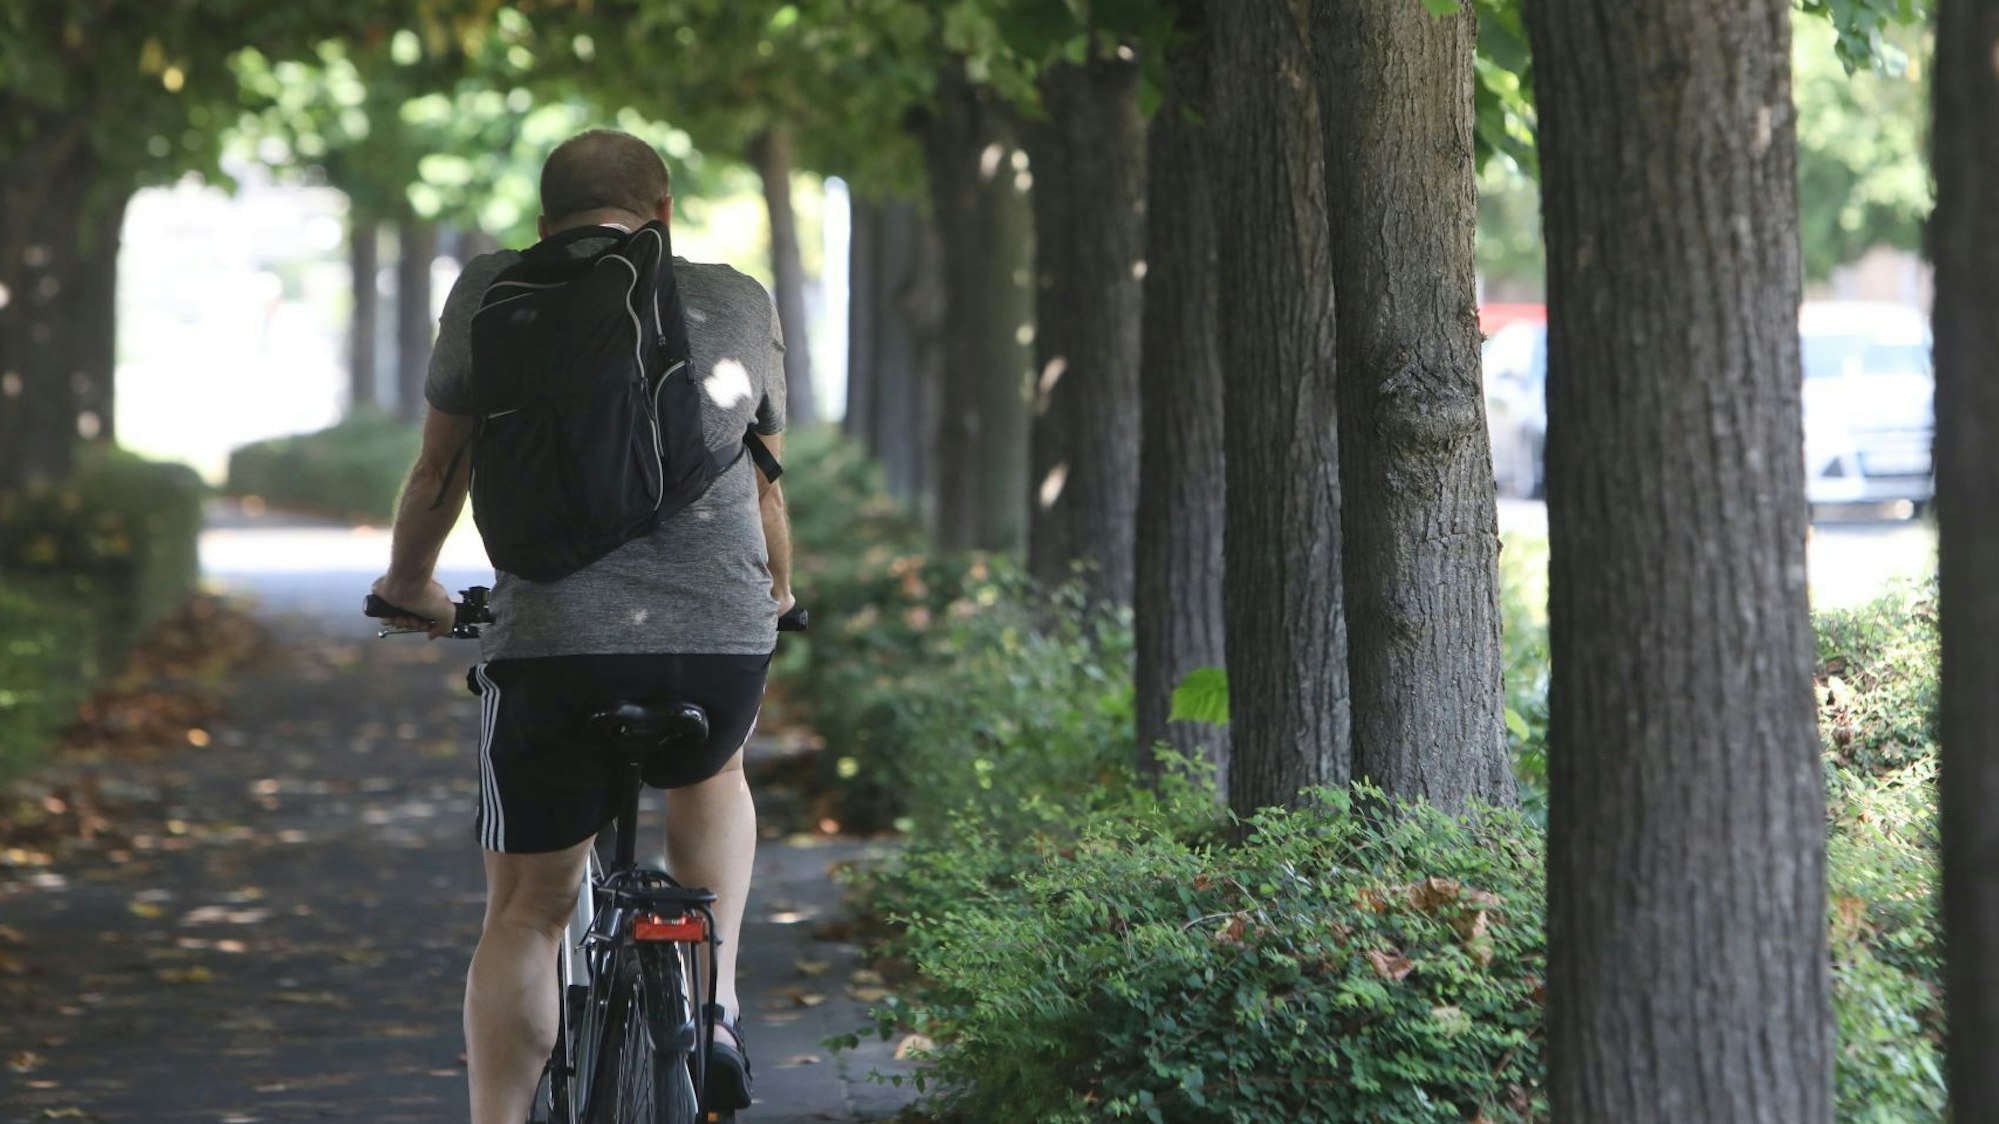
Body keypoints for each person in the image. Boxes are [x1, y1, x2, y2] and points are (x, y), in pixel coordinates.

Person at [369, 128, 790, 1124]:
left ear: (543, 222)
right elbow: (769, 488)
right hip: (713, 636)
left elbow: (439, 469)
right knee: (715, 769)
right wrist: (774, 595)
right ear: (666, 211)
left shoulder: (489, 290)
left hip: (551, 638)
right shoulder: (736, 297)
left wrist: (408, 586)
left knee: (528, 907)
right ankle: (716, 1000)